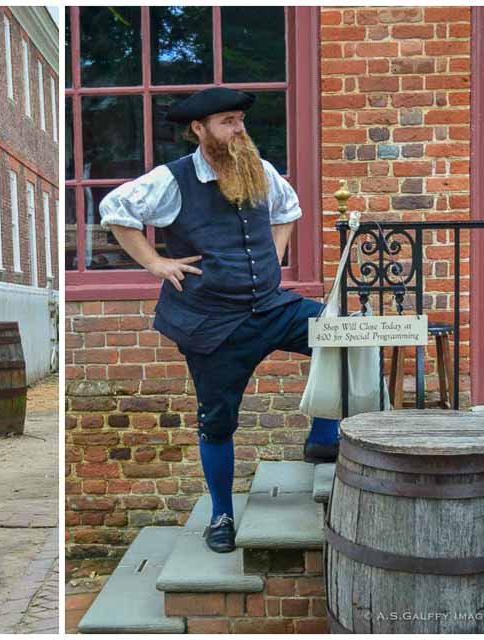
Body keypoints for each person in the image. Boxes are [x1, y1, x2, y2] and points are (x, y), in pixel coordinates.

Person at [99, 87, 340, 554]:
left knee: (342, 332)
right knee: (217, 422)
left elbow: (288, 210)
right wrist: (155, 263)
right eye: (227, 121)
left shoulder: (259, 170)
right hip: (212, 323)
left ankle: (323, 437)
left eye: (240, 120)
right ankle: (221, 515)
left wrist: (276, 255)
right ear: (199, 128)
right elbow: (116, 210)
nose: (239, 129)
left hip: (271, 308)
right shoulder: (173, 180)